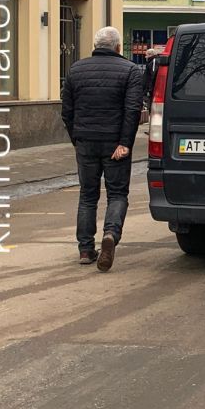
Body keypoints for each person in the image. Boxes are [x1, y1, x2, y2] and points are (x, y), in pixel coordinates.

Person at [61, 26, 144, 272]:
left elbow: (67, 111)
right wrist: (125, 144)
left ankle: (85, 249)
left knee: (87, 195)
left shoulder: (76, 69)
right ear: (118, 47)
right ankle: (110, 234)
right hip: (114, 143)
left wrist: (77, 138)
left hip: (85, 141)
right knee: (117, 194)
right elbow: (132, 111)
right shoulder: (130, 70)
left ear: (95, 46)